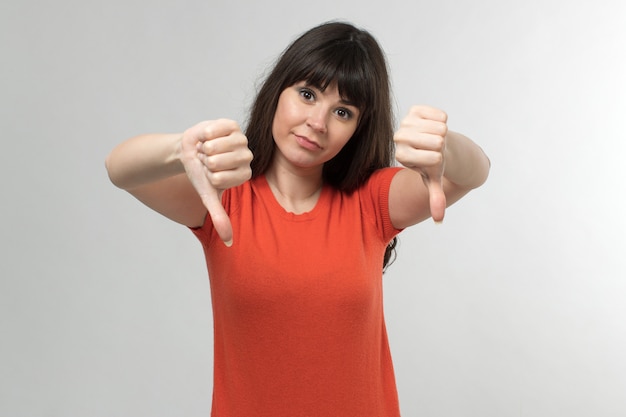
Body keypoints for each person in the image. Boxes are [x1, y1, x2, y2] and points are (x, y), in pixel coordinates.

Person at [105, 21, 489, 417]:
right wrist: (176, 149)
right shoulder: (224, 200)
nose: (318, 123)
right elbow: (119, 169)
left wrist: (446, 148)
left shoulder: (370, 203)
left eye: (343, 111)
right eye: (307, 94)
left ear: (358, 129)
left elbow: (474, 173)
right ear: (277, 91)